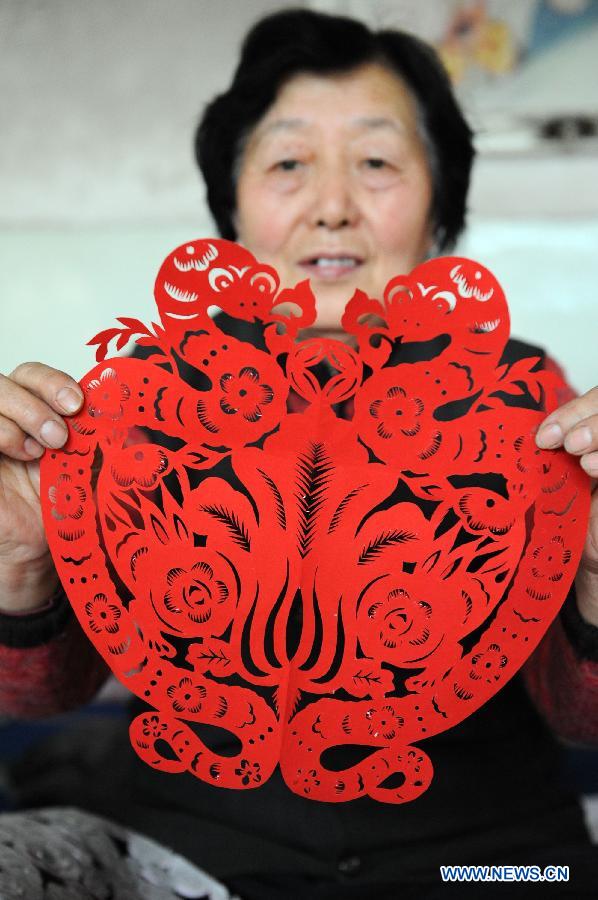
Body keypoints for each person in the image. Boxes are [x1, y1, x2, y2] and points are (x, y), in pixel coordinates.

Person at [1, 8, 597, 899]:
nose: (331, 205)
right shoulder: (142, 397)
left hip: (487, 857)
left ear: (441, 206)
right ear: (232, 209)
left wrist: (592, 577)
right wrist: (19, 562)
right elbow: (46, 697)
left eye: (378, 162)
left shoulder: (521, 398)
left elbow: (578, 714)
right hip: (191, 856)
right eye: (287, 163)